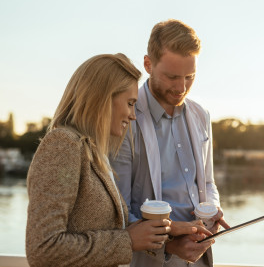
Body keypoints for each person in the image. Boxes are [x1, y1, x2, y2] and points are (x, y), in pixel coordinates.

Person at [25, 53, 209, 267]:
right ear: (102, 99)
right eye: (130, 103)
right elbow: (43, 249)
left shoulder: (94, 153)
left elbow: (108, 230)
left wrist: (168, 231)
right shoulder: (63, 144)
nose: (133, 115)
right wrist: (128, 240)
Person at [110, 19, 230, 267]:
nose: (181, 88)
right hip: (149, 260)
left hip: (198, 257)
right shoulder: (125, 117)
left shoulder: (201, 115)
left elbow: (207, 182)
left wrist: (212, 209)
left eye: (190, 77)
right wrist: (170, 244)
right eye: (172, 77)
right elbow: (118, 208)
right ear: (148, 65)